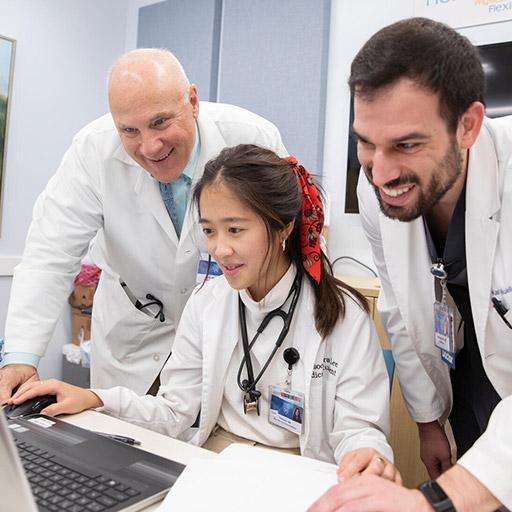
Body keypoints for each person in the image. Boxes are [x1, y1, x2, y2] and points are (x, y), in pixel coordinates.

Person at [9, 144, 397, 471]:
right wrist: (97, 399)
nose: (219, 249)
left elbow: (358, 430)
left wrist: (366, 456)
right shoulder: (208, 303)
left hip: (299, 470)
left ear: (282, 228)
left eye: (235, 229)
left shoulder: (342, 313)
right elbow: (175, 412)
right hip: (217, 462)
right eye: (209, 230)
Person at [0, 48, 287, 400]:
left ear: (193, 102)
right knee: (123, 443)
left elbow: (295, 246)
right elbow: (51, 251)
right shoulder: (92, 150)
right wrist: (20, 356)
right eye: (129, 130)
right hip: (134, 343)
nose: (149, 146)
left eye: (160, 122)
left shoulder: (251, 137)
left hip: (233, 335)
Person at [309, 17, 511, 512]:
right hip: (469, 384)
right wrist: (426, 420)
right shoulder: (376, 186)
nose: (380, 171)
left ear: (467, 125)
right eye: (365, 142)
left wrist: (439, 500)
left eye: (406, 144)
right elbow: (397, 306)